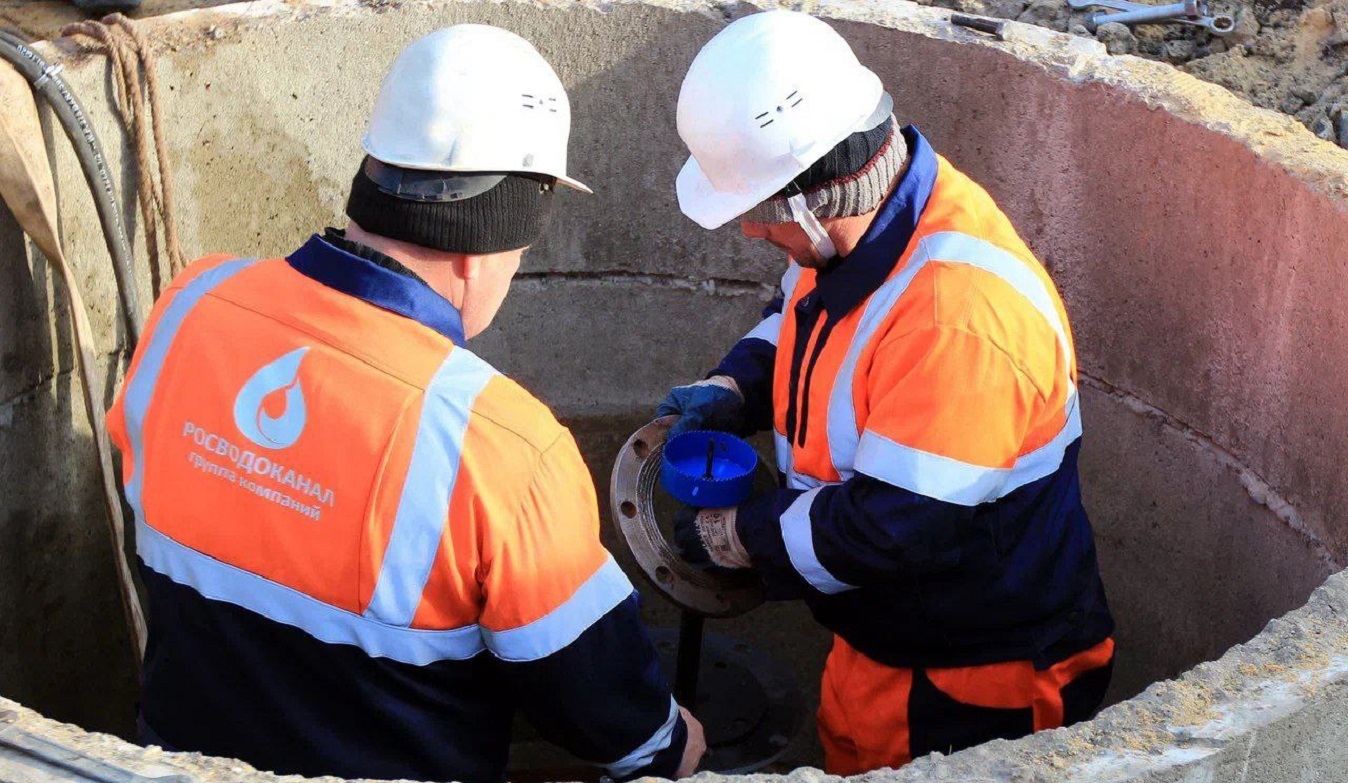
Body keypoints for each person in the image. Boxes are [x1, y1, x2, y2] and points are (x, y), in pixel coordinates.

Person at [107, 24, 703, 783]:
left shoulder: (191, 304)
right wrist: (667, 740)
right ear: (491, 235)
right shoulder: (502, 447)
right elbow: (600, 707)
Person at [660, 10, 1114, 774]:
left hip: (974, 686)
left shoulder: (958, 318)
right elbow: (800, 315)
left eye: (759, 214)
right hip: (887, 642)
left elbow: (890, 528)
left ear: (812, 199)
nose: (749, 232)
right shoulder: (866, 227)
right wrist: (733, 385)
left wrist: (737, 538)